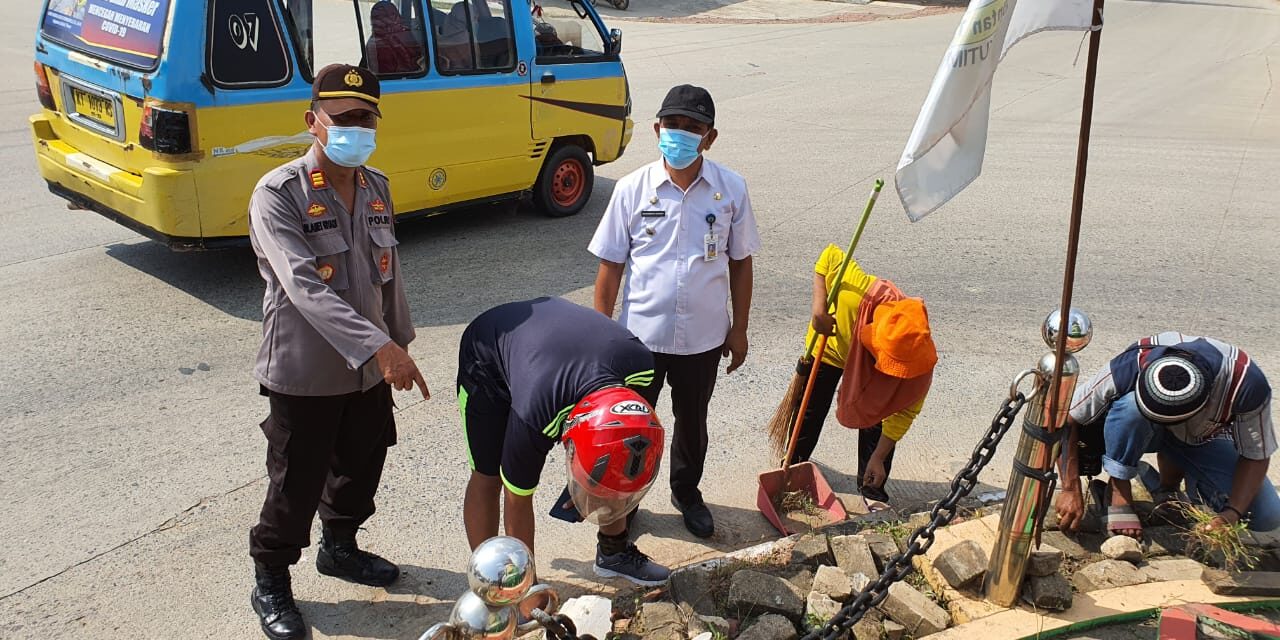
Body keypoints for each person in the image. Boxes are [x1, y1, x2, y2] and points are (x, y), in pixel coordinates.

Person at [247, 64, 429, 640]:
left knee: (360, 466)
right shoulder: (279, 194)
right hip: (305, 372)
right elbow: (304, 287)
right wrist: (382, 349)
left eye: (365, 118)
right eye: (343, 118)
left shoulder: (376, 185)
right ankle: (271, 579)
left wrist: (398, 342)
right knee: (295, 483)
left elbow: (387, 275)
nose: (356, 128)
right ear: (313, 122)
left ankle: (340, 547)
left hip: (369, 370)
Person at [589, 84, 760, 539]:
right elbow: (611, 266)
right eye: (674, 126)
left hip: (704, 337)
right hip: (638, 340)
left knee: (692, 424)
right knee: (631, 427)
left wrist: (738, 330)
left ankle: (686, 492)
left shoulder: (731, 189)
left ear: (710, 136)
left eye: (693, 128)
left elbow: (741, 264)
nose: (681, 135)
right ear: (656, 128)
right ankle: (625, 501)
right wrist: (600, 335)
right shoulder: (631, 189)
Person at [458, 297, 670, 586]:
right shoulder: (536, 415)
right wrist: (527, 592)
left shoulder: (642, 366)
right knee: (489, 474)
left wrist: (590, 477)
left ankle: (614, 553)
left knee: (618, 461)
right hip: (487, 355)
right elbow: (516, 498)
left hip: (552, 352)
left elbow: (627, 440)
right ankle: (498, 581)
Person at [1055, 332, 1277, 540]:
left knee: (1266, 515)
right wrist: (1070, 487)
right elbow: (1063, 419)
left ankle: (1168, 488)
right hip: (1137, 432)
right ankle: (1119, 486)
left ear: (1206, 404)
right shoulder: (1132, 363)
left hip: (1201, 438)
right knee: (1131, 409)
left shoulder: (1247, 384)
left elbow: (1256, 454)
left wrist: (1232, 512)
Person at [787, 245, 935, 507]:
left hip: (869, 362)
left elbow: (902, 413)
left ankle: (871, 489)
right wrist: (818, 309)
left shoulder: (915, 356)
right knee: (810, 409)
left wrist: (878, 456)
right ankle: (791, 467)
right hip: (830, 345)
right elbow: (828, 256)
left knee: (879, 410)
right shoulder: (854, 297)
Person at [365, 1, 425, 75]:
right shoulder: (379, 45)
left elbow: (418, 53)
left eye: (395, 14)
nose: (398, 19)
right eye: (392, 15)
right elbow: (397, 73)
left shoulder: (400, 34)